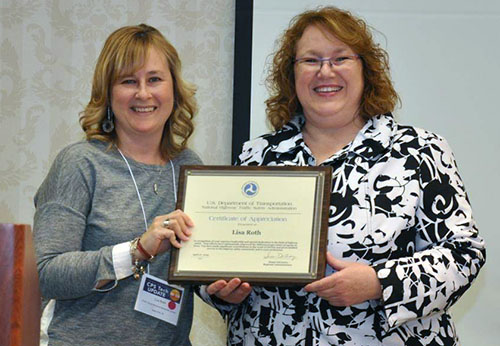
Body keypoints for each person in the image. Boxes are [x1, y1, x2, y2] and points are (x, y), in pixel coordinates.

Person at [195, 6, 486, 345]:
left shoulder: (420, 150)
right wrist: (220, 291)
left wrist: (380, 282)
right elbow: (216, 257)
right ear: (292, 74)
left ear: (366, 70)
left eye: (340, 58)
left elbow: (464, 254)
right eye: (311, 60)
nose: (325, 71)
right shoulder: (257, 156)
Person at [33, 24, 200, 345]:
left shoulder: (190, 166)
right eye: (128, 81)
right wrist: (136, 250)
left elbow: (197, 264)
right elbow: (46, 275)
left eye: (154, 79)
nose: (143, 93)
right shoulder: (79, 163)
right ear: (107, 94)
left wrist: (224, 290)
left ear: (174, 89)